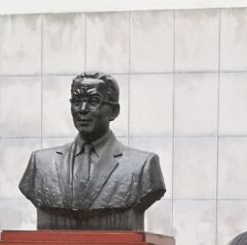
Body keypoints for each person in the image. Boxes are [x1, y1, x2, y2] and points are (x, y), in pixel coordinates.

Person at [17, 72, 165, 231]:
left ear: (114, 111)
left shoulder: (142, 166)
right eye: (77, 101)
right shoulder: (41, 164)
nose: (82, 109)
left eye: (93, 101)